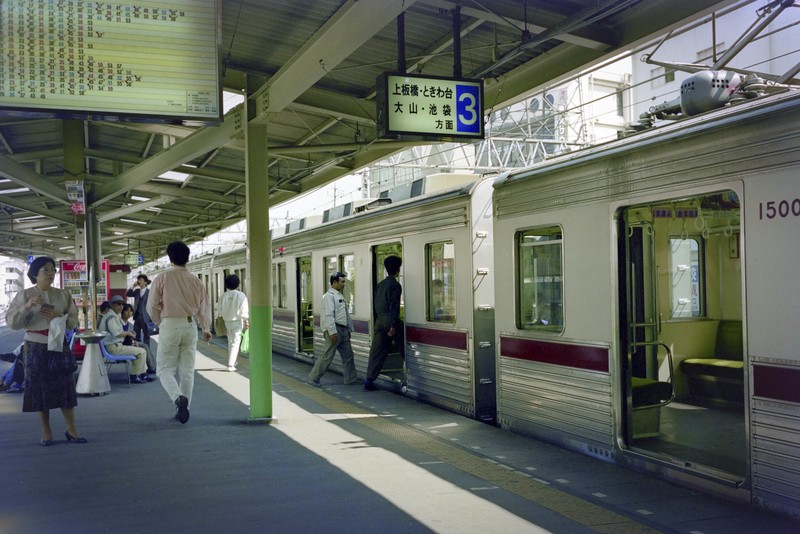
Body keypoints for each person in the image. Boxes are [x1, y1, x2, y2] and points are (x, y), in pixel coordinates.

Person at [5, 256, 85, 446]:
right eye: (45, 270)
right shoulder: (24, 295)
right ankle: (46, 430)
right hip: (35, 345)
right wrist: (27, 306)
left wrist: (61, 316)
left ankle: (71, 428)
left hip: (58, 344)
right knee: (39, 388)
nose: (50, 273)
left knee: (65, 386)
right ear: (35, 274)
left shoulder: (63, 295)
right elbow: (12, 323)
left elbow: (74, 322)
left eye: (52, 270)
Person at [147, 241, 212, 424]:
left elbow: (151, 306)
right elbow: (204, 308)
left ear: (170, 258)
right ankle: (185, 407)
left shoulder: (162, 278)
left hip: (169, 325)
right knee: (187, 371)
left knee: (164, 370)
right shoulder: (196, 281)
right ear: (188, 258)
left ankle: (177, 398)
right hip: (190, 326)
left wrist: (161, 322)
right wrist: (206, 328)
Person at [307, 271, 359, 387]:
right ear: (334, 282)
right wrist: (332, 332)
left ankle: (351, 379)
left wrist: (349, 329)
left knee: (348, 355)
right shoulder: (328, 296)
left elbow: (344, 314)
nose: (344, 284)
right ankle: (313, 378)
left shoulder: (339, 295)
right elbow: (328, 315)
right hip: (335, 330)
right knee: (327, 355)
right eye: (342, 282)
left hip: (343, 330)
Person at [364, 256, 403, 391]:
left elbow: (376, 305)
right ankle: (412, 373)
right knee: (403, 346)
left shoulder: (380, 285)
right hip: (390, 321)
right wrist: (392, 325)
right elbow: (394, 307)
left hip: (379, 321)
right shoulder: (396, 286)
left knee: (376, 351)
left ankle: (369, 380)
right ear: (398, 270)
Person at [100, 295, 151, 384]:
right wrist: (128, 333)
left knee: (140, 350)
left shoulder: (113, 315)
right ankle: (136, 376)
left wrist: (128, 333)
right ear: (112, 305)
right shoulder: (111, 317)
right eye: (118, 304)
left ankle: (140, 374)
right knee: (141, 352)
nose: (121, 307)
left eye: (122, 304)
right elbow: (117, 333)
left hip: (114, 345)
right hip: (113, 347)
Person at [217, 274, 249, 372]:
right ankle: (231, 365)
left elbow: (220, 311)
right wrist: (246, 320)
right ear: (238, 284)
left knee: (230, 342)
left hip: (227, 321)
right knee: (235, 342)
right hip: (237, 321)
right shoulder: (241, 295)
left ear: (226, 285)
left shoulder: (223, 296)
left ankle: (232, 362)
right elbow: (244, 310)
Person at [122, 303, 156, 373]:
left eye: (130, 311)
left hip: (126, 343)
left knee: (145, 346)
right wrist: (133, 343)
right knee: (143, 347)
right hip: (123, 344)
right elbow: (122, 337)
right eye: (126, 311)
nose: (129, 313)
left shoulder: (127, 323)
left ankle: (151, 367)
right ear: (122, 312)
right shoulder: (120, 322)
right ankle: (149, 369)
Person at [126, 274, 153, 351]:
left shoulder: (149, 292)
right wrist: (133, 286)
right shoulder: (137, 291)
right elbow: (128, 294)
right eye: (138, 280)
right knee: (136, 335)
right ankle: (138, 350)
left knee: (146, 336)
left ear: (145, 282)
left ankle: (147, 351)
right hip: (137, 317)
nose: (139, 281)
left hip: (146, 317)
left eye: (141, 280)